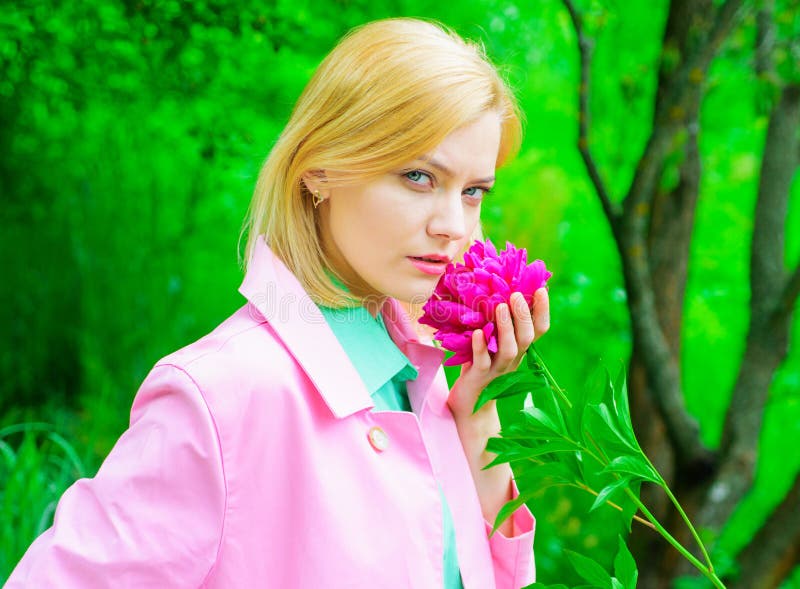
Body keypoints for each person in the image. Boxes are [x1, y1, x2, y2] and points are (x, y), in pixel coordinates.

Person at [5, 17, 550, 589]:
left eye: (473, 192)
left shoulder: (422, 373)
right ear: (320, 171)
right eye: (418, 176)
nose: (453, 226)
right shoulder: (222, 394)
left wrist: (479, 414)